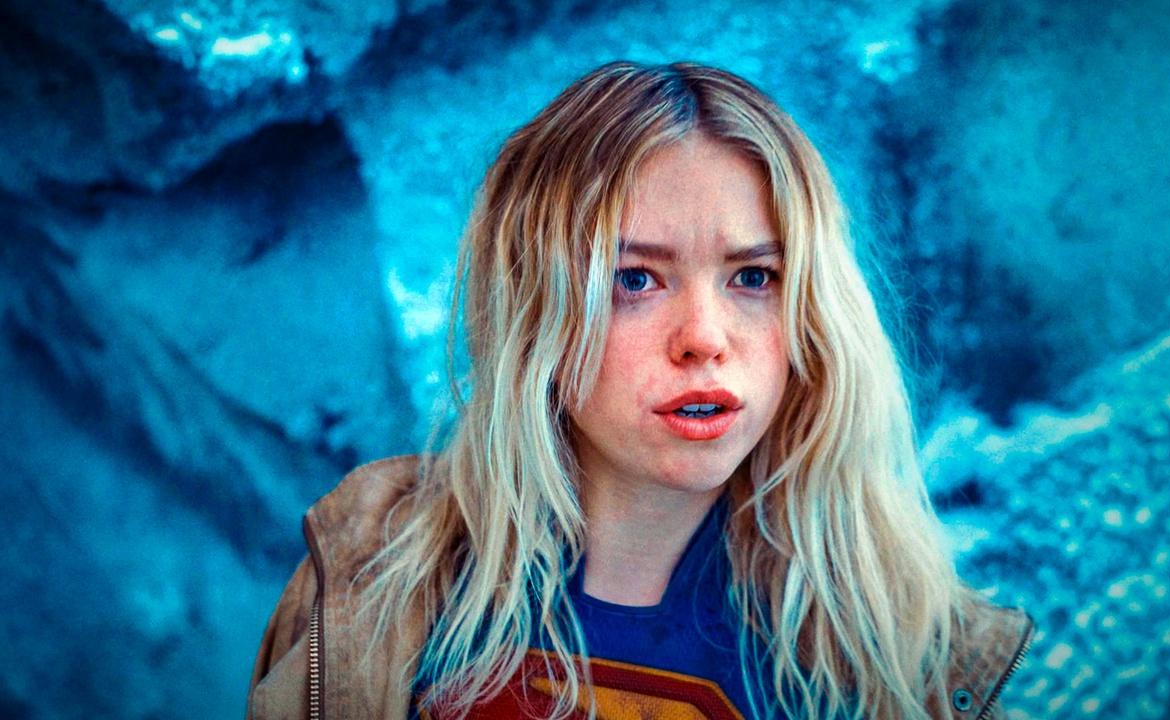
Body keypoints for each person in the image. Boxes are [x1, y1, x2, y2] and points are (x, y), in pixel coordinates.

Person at [245, 60, 1035, 720]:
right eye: (635, 279)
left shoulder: (901, 648)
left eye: (754, 277)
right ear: (534, 309)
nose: (704, 338)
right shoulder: (370, 572)